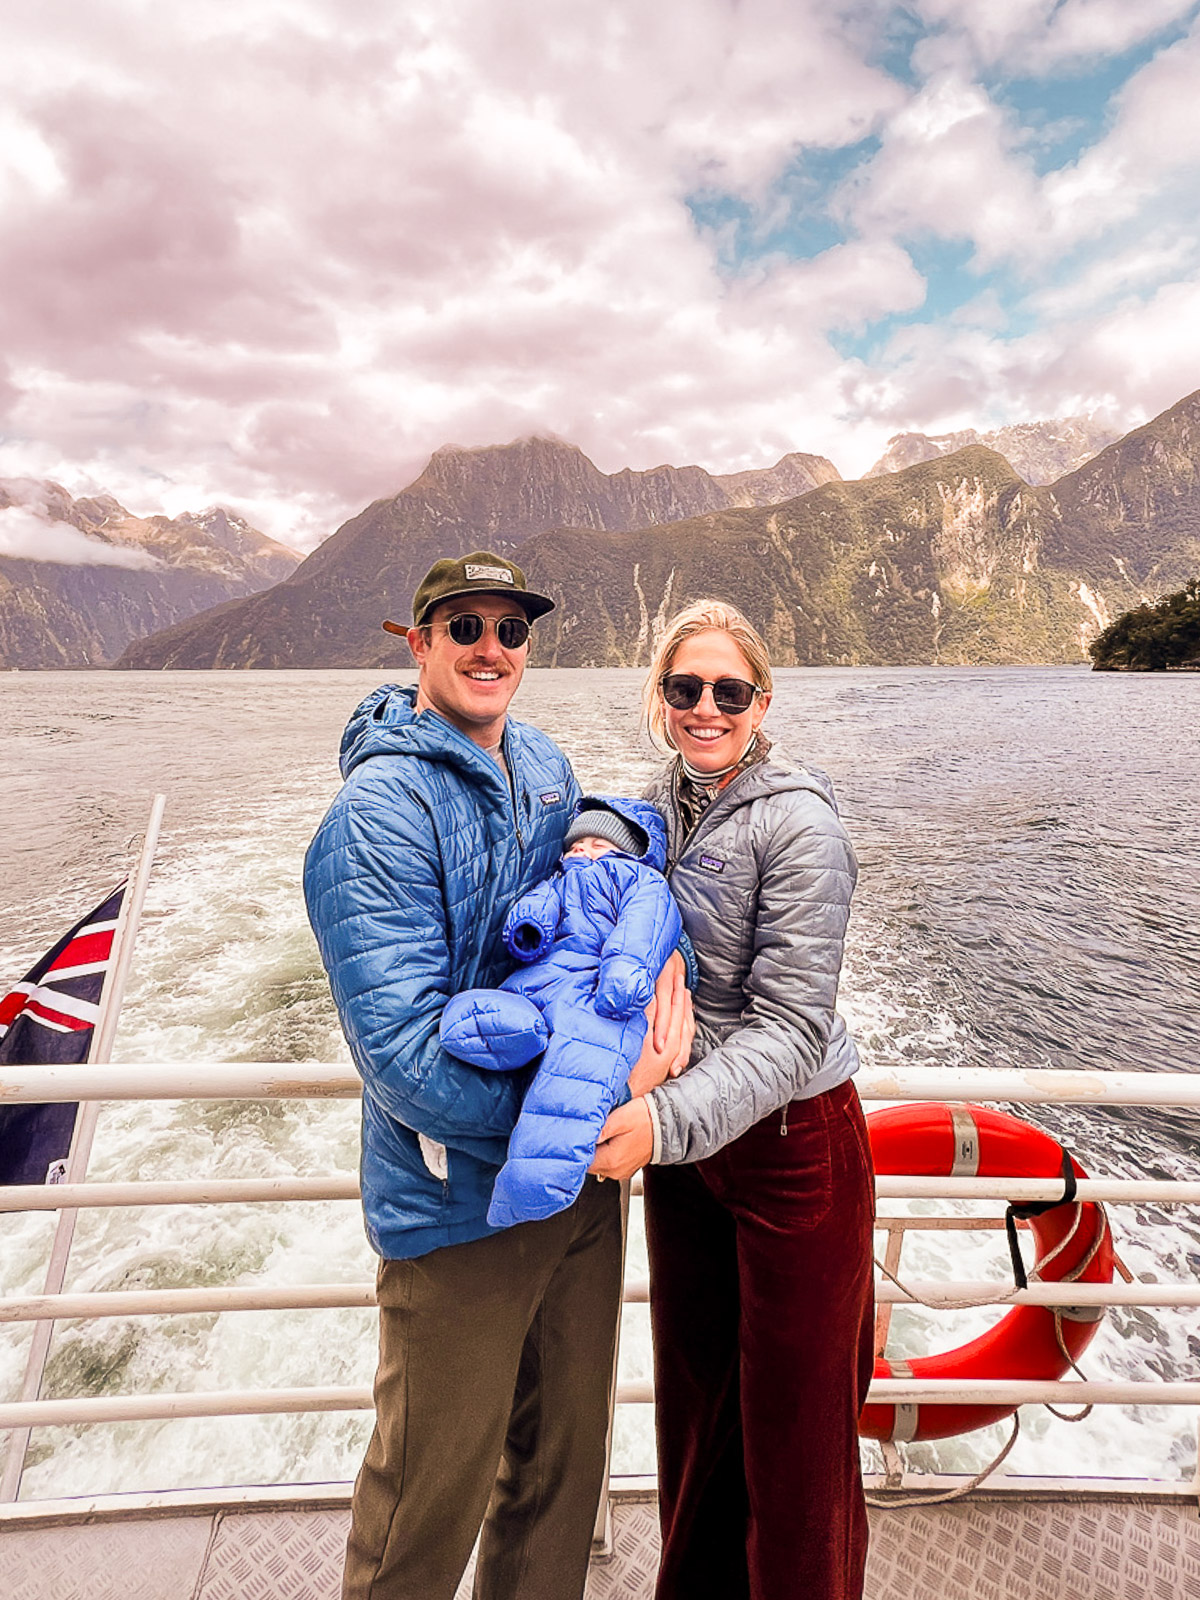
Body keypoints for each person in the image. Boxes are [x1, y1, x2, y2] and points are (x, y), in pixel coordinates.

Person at [303, 551, 691, 1600]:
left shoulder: (550, 769)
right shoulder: (375, 817)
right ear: (418, 643)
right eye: (463, 625)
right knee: (423, 1511)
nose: (490, 646)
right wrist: (596, 1108)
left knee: (560, 1478)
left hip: (576, 1196)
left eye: (510, 629)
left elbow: (597, 891)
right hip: (453, 1202)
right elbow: (407, 1062)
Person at [591, 599, 875, 1600]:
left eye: (728, 690)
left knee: (796, 1443)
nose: (705, 708)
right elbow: (607, 889)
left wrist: (664, 1116)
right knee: (701, 1409)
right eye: (684, 689)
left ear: (762, 702)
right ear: (660, 700)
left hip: (792, 1148)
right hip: (689, 1155)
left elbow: (794, 1031)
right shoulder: (655, 808)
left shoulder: (801, 824)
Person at [440, 795, 683, 1228]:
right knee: (480, 1014)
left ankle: (533, 1187)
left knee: (578, 1072)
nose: (583, 851)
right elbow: (536, 907)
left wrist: (624, 975)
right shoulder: (559, 879)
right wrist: (528, 926)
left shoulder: (639, 881)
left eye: (598, 844)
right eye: (576, 844)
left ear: (628, 851)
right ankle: (519, 1033)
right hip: (539, 978)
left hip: (596, 993)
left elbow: (644, 928)